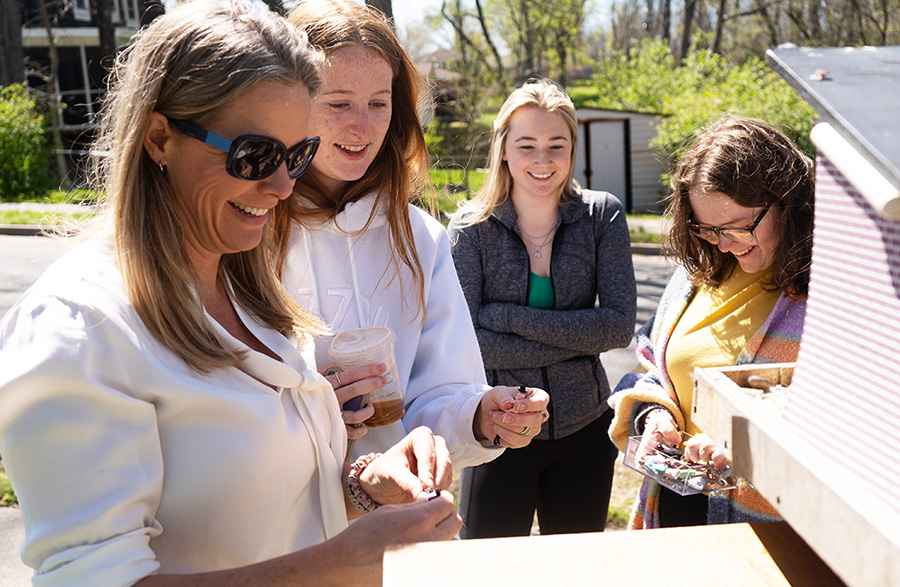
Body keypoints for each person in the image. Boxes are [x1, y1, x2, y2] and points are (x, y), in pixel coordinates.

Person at [0, 1, 461, 584]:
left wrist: (362, 488)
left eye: (298, 155)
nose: (282, 185)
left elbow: (256, 509)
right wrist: (344, 558)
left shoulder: (247, 289)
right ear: (160, 138)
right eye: (255, 156)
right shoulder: (78, 327)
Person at [275, 0, 549, 468]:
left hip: (403, 513)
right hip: (285, 524)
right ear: (285, 103)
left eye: (378, 104)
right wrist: (313, 407)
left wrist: (480, 416)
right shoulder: (247, 227)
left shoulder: (420, 236)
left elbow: (439, 392)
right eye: (338, 102)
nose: (362, 127)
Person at [446, 78, 638, 538]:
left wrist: (506, 317)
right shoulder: (470, 228)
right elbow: (467, 342)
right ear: (504, 150)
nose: (542, 160)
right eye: (527, 145)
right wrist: (574, 342)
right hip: (497, 429)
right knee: (488, 571)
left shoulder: (601, 216)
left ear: (573, 148)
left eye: (557, 144)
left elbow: (617, 328)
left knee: (577, 572)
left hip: (585, 429)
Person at [608, 115, 814, 529]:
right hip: (674, 509)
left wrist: (749, 444)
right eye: (708, 229)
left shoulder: (827, 295)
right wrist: (653, 417)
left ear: (787, 202)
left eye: (738, 228)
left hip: (769, 532)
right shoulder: (696, 274)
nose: (723, 244)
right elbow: (651, 366)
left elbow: (846, 418)